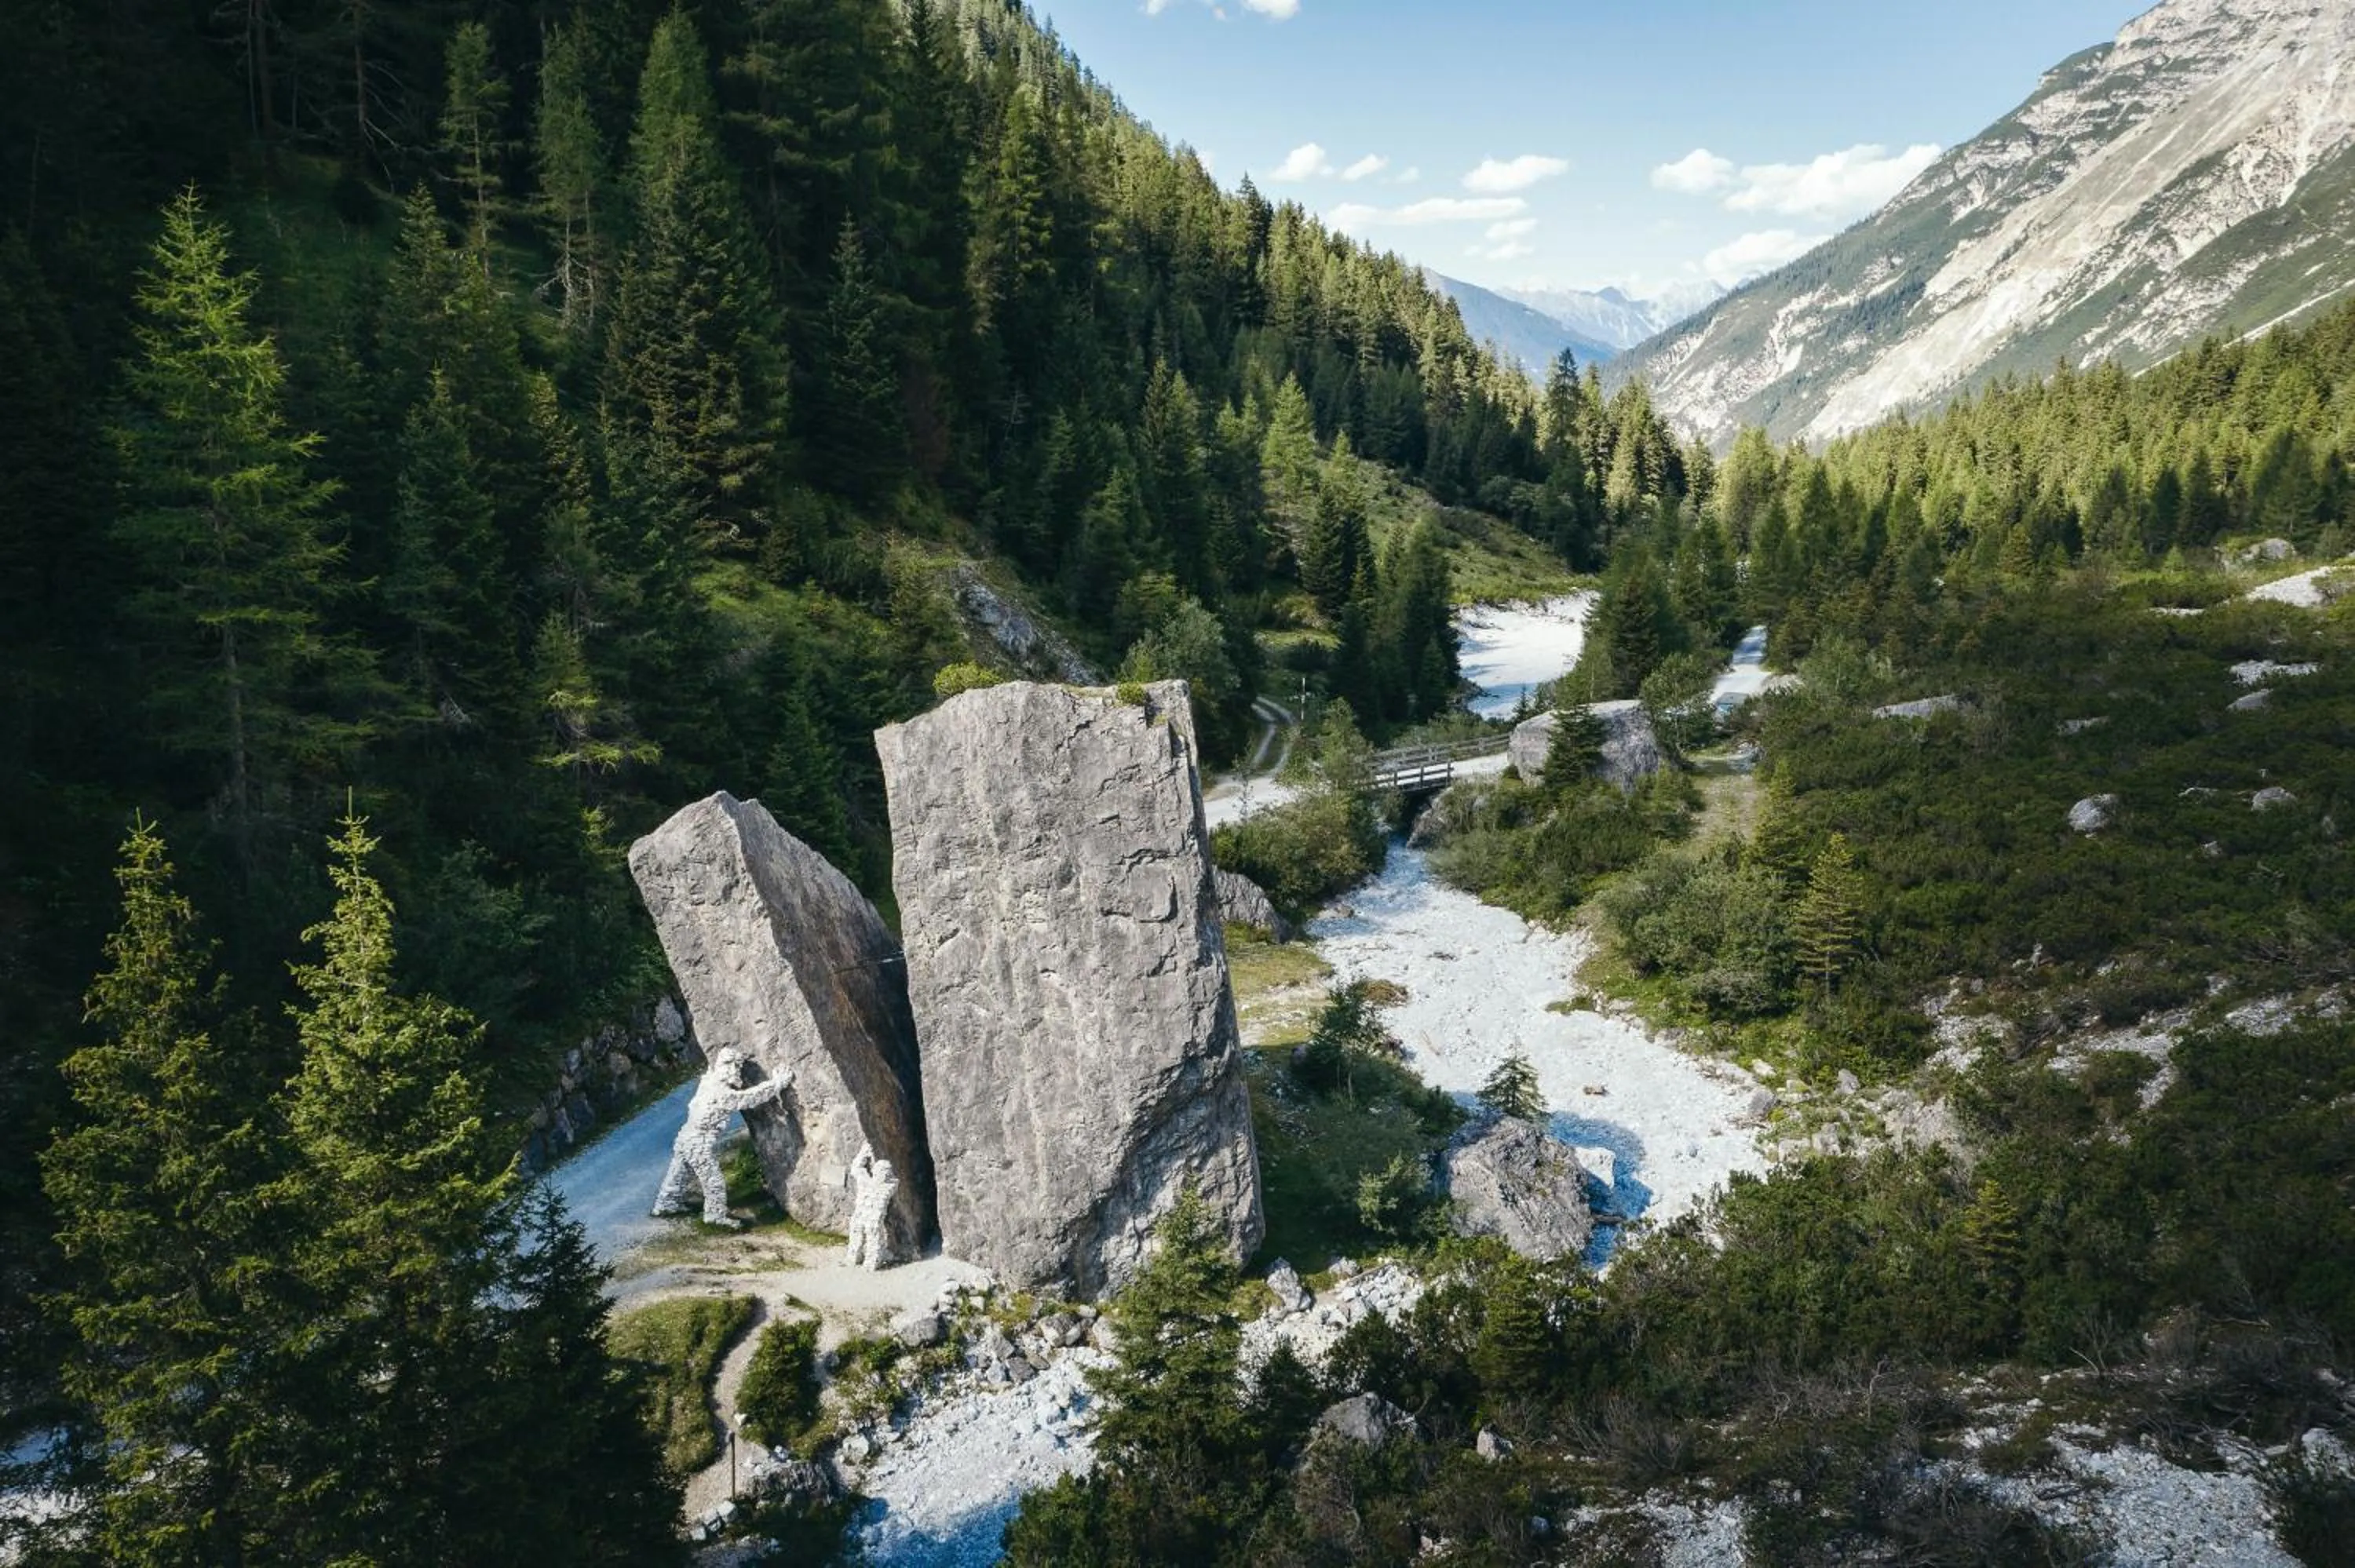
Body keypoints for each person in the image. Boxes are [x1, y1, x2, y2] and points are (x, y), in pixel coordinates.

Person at [652, 1048, 788, 1227]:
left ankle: (665, 1204)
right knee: (713, 1181)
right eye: (736, 1067)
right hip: (698, 1142)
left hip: (685, 1136)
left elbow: (712, 1072)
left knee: (678, 1173)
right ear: (730, 1069)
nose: (737, 1071)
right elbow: (751, 1097)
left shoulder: (707, 1082)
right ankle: (714, 1215)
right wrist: (778, 1083)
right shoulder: (723, 1095)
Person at [843, 1142, 900, 1270]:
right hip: (860, 1213)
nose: (883, 1174)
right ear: (874, 1171)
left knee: (873, 1233)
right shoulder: (865, 1181)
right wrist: (864, 1152)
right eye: (880, 1171)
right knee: (856, 1230)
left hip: (874, 1218)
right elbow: (856, 1168)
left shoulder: (888, 1186)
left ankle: (872, 1261)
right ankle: (854, 1257)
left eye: (886, 1172)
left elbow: (896, 1182)